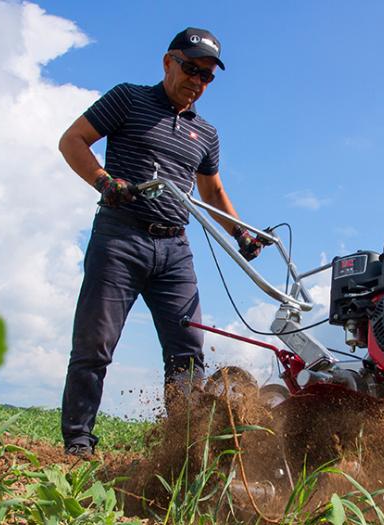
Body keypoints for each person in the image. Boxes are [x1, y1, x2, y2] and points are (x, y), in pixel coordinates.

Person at [57, 27, 268, 457]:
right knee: (95, 343)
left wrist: (241, 232)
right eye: (191, 69)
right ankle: (78, 444)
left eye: (207, 76)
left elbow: (212, 192)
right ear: (168, 61)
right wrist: (104, 181)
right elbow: (72, 140)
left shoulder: (205, 133)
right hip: (121, 237)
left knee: (187, 353)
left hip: (174, 250)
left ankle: (184, 449)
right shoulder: (128, 99)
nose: (197, 81)